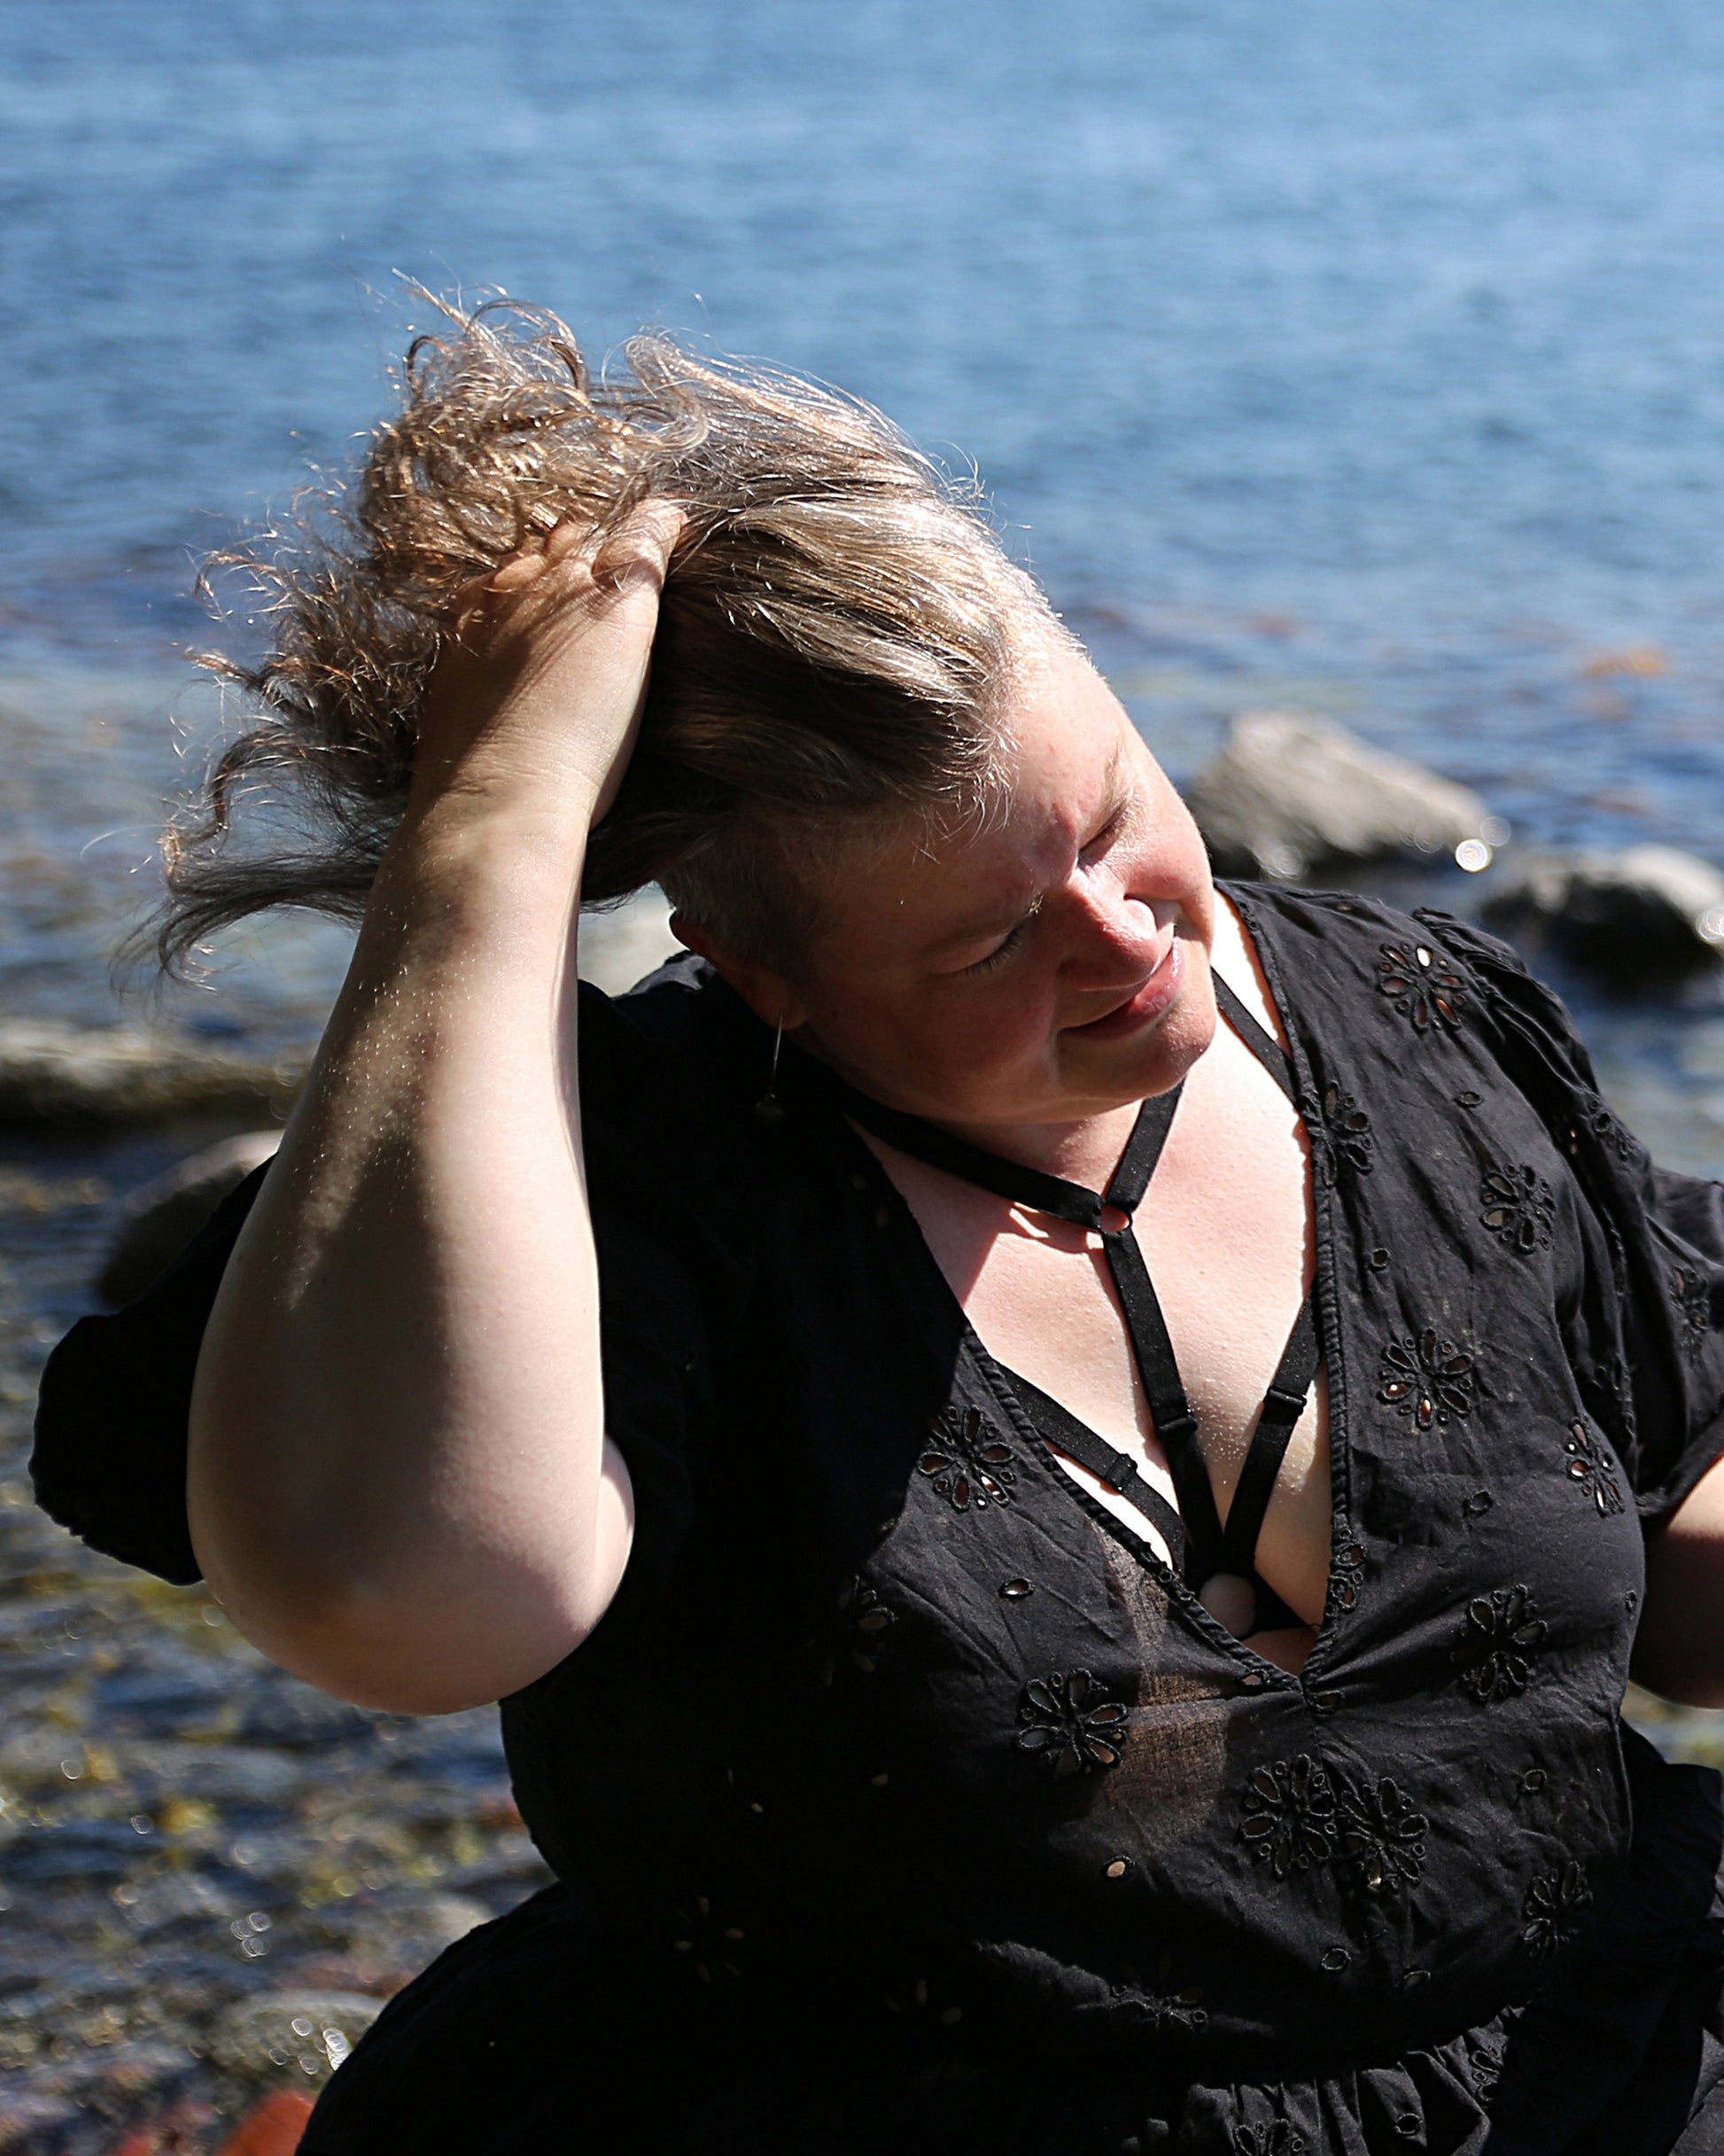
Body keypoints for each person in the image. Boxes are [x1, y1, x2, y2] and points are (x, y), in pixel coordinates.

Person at [30, 301, 1724, 2156]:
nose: (1123, 936)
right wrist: (486, 832)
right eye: (992, 937)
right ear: (750, 970)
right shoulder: (632, 1183)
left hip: (1589, 2062)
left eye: (1116, 815)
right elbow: (408, 1591)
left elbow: (1670, 1482)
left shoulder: (1412, 1011)